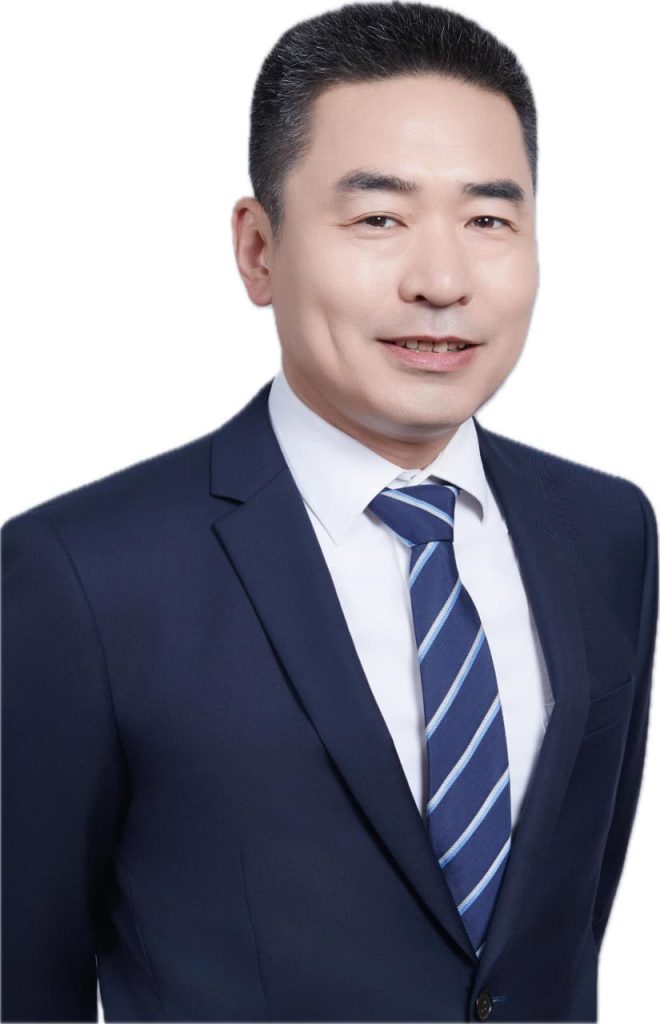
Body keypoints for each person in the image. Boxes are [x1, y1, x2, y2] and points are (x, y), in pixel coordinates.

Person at [2, 2, 657, 1021]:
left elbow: (557, 938)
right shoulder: (82, 577)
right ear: (259, 249)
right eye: (379, 218)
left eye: (489, 219)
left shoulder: (609, 531)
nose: (442, 281)